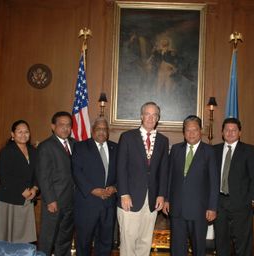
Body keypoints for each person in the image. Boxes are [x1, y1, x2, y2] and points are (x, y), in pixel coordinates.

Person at [116, 101, 169, 256]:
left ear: (158, 118)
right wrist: (124, 194)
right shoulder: (127, 137)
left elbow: (163, 170)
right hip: (129, 199)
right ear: (141, 116)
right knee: (128, 241)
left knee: (145, 242)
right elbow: (121, 168)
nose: (151, 118)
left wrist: (161, 194)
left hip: (152, 200)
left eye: (155, 115)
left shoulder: (163, 140)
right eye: (147, 114)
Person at [163, 115, 219, 256]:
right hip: (177, 209)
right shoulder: (176, 149)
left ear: (200, 131)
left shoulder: (209, 151)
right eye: (188, 130)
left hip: (199, 210)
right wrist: (166, 199)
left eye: (195, 130)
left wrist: (212, 207)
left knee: (198, 248)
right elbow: (169, 177)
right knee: (176, 248)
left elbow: (214, 181)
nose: (191, 133)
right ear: (183, 132)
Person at [213, 117, 254, 256]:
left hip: (241, 204)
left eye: (234, 130)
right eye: (227, 129)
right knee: (221, 243)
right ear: (222, 132)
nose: (230, 132)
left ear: (239, 133)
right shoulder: (214, 150)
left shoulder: (249, 151)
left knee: (242, 244)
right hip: (219, 203)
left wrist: (251, 199)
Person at [72, 117, 118, 256]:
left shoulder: (115, 147)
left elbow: (123, 171)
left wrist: (115, 187)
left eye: (105, 129)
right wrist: (92, 190)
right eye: (99, 129)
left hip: (109, 205)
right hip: (87, 204)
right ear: (92, 131)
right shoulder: (80, 147)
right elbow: (76, 172)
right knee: (83, 242)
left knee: (105, 243)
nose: (102, 132)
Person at [0, 120, 38, 243]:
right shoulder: (6, 151)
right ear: (12, 134)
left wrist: (35, 188)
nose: (23, 134)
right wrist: (21, 190)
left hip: (28, 198)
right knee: (7, 238)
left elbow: (37, 173)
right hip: (10, 199)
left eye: (26, 131)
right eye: (19, 131)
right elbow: (4, 176)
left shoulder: (33, 151)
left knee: (24, 238)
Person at [36, 111, 75, 256]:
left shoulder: (74, 144)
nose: (65, 128)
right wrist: (50, 199)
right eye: (61, 125)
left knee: (64, 239)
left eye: (68, 125)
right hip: (54, 202)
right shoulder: (46, 146)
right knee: (48, 239)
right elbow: (43, 176)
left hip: (71, 201)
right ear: (53, 126)